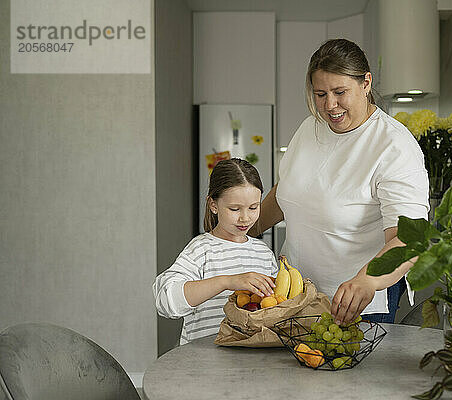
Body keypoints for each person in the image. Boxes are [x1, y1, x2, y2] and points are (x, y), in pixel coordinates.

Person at [251, 39, 429, 325]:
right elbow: (288, 191)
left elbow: (410, 238)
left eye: (339, 92)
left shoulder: (393, 146)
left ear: (366, 83)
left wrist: (366, 281)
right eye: (320, 94)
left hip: (355, 306)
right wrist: (248, 227)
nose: (329, 105)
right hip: (294, 297)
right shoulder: (311, 128)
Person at [153, 158, 277, 344]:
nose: (245, 218)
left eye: (253, 207)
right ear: (213, 205)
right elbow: (166, 302)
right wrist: (227, 281)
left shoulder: (264, 253)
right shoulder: (201, 250)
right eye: (234, 209)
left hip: (252, 362)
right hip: (204, 364)